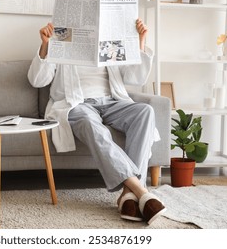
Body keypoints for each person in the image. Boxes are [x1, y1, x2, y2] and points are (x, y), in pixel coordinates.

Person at [27, 19, 166, 224]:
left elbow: (135, 79)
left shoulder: (110, 41)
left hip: (113, 101)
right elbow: (37, 81)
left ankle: (128, 194)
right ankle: (140, 191)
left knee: (145, 111)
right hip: (77, 104)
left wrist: (140, 41)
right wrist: (46, 45)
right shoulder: (61, 40)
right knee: (89, 122)